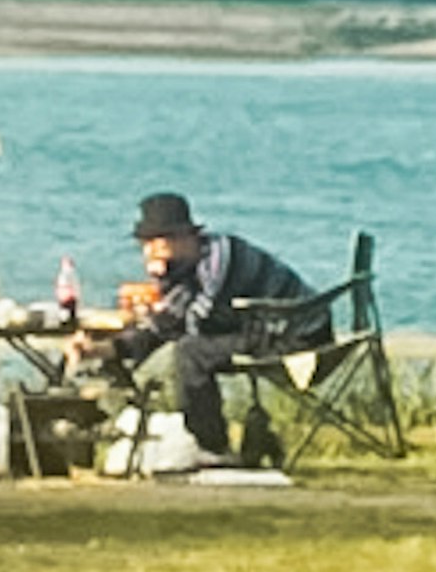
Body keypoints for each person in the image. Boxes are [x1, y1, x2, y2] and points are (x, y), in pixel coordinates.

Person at [119, 188, 311, 462]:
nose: (148, 252)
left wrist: (158, 304)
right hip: (267, 328)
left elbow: (196, 323)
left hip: (296, 336)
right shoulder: (191, 262)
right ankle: (119, 369)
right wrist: (125, 341)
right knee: (184, 347)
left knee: (191, 353)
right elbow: (177, 317)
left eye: (155, 243)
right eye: (144, 244)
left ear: (183, 237)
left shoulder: (220, 261)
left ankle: (212, 447)